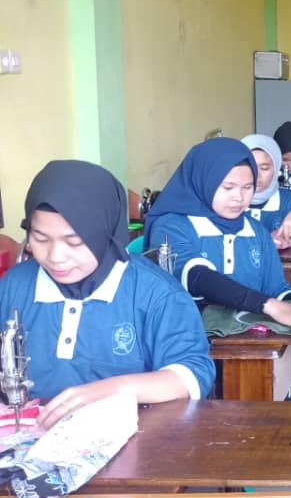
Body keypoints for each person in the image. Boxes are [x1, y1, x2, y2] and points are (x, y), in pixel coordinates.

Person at [0, 160, 214, 429]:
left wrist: (109, 390)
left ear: (106, 234)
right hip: (33, 435)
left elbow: (193, 375)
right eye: (40, 239)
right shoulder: (15, 285)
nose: (55, 257)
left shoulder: (157, 293)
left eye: (75, 242)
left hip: (134, 441)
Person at [143, 138, 291, 337]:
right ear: (203, 181)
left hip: (246, 339)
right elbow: (198, 277)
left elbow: (277, 289)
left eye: (247, 187)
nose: (239, 198)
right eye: (228, 187)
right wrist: (268, 305)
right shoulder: (171, 226)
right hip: (185, 338)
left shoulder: (256, 231)